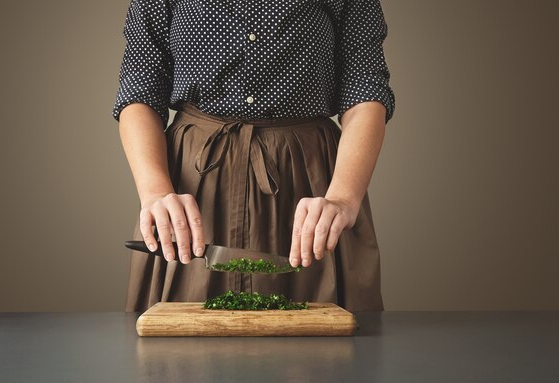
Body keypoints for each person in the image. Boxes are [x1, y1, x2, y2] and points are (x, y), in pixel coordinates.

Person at [111, 0, 396, 313]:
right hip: (189, 189)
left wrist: (343, 198)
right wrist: (155, 192)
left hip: (311, 189)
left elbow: (365, 89)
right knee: (179, 351)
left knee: (325, 346)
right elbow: (139, 91)